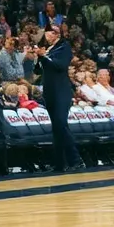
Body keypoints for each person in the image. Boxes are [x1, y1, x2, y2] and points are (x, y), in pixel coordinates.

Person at [37, 29, 83, 171]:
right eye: (47, 32)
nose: (48, 35)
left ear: (57, 35)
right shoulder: (48, 49)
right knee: (57, 128)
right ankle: (59, 163)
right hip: (49, 91)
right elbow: (37, 71)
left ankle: (76, 160)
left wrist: (44, 56)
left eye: (51, 32)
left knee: (61, 124)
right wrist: (36, 58)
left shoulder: (64, 47)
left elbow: (60, 66)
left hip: (62, 91)